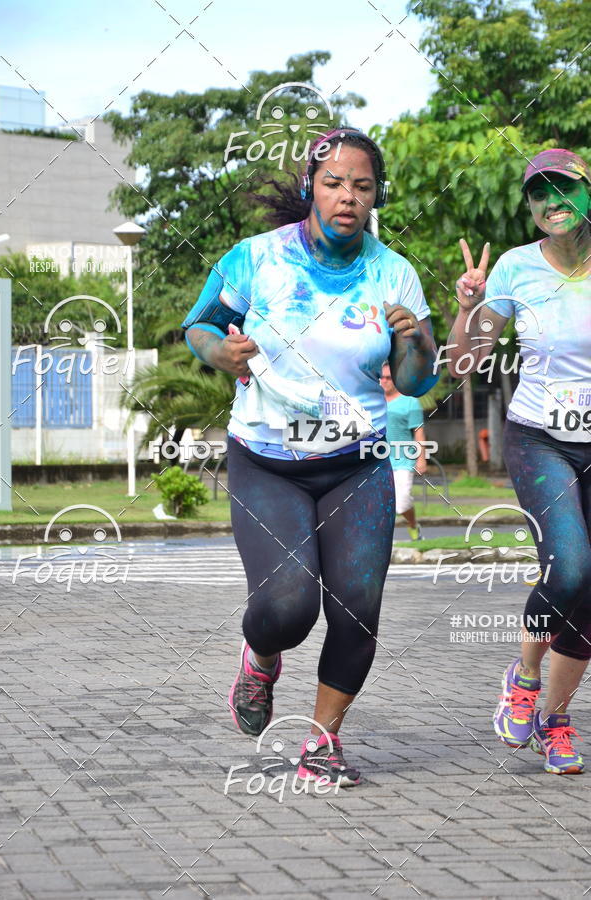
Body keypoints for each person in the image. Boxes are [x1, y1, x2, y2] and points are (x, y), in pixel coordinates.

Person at [182, 127, 438, 786]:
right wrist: (219, 352)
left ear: (376, 195)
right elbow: (199, 325)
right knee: (287, 607)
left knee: (358, 607)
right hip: (267, 460)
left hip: (359, 461)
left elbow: (416, 380)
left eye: (362, 185)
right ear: (310, 188)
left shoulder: (394, 273)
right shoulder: (256, 258)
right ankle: (260, 658)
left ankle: (323, 742)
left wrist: (414, 341)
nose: (348, 196)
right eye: (334, 182)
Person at [446, 148, 591, 774]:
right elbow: (462, 362)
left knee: (590, 596)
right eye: (539, 193)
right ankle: (524, 676)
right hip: (540, 439)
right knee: (571, 567)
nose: (552, 202)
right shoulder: (515, 267)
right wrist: (468, 306)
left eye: (565, 189)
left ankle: (555, 722)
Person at [380, 362, 427, 540]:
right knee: (381, 503)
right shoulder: (373, 401)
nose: (384, 381)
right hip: (378, 460)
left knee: (402, 502)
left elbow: (419, 432)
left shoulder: (410, 402)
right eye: (382, 377)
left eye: (389, 378)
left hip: (404, 459)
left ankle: (413, 525)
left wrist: (421, 459)